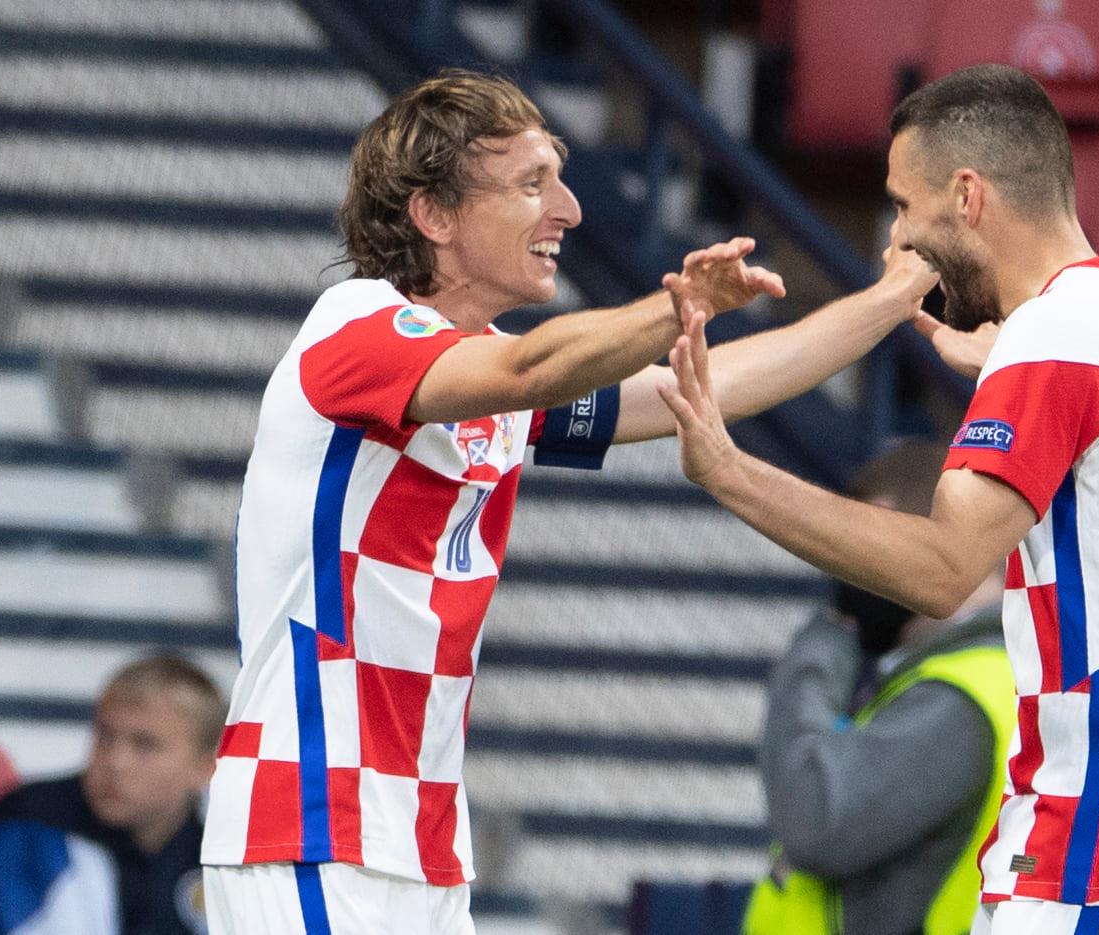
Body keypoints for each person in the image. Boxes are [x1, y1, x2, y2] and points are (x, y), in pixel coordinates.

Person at [200, 68, 937, 933]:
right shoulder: (355, 325)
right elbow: (529, 367)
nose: (571, 210)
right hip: (311, 824)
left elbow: (707, 388)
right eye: (530, 183)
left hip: (417, 841)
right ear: (433, 215)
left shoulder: (483, 380)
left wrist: (891, 298)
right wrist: (682, 303)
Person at [659, 64, 1099, 935]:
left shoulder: (1059, 337)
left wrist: (729, 470)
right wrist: (1010, 359)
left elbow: (943, 569)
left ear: (968, 197)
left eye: (906, 207)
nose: (896, 239)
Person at [743, 439, 1014, 935]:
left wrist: (828, 637)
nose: (849, 565)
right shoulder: (971, 674)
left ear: (893, 525)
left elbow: (816, 818)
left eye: (860, 543)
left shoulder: (960, 695)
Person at [0, 656, 226, 935]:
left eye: (145, 744)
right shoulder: (25, 837)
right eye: (105, 736)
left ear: (206, 767)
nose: (115, 761)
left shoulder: (227, 855)